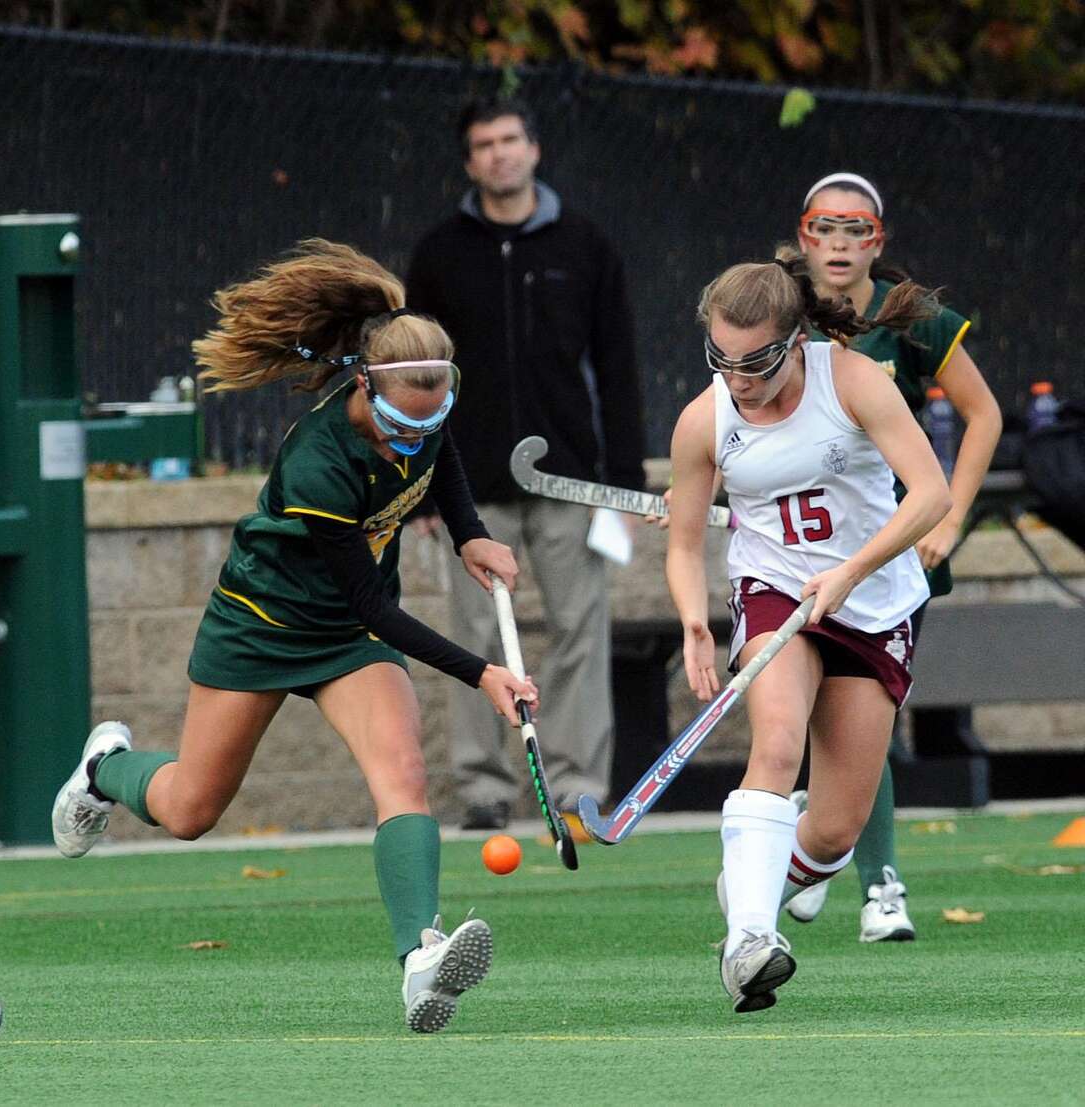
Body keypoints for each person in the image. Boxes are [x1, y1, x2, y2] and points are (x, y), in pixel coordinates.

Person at [50, 240, 539, 1034]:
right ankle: (106, 768)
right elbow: (379, 610)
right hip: (263, 626)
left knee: (404, 774)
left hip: (346, 636)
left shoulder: (423, 408)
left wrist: (468, 535)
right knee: (190, 809)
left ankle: (420, 960)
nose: (410, 437)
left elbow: (438, 458)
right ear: (364, 385)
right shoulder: (319, 460)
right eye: (398, 423)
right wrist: (480, 670)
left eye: (431, 416)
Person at [667, 253, 951, 1012]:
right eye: (721, 360)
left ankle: (757, 879)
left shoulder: (853, 381)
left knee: (831, 833)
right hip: (773, 596)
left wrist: (852, 571)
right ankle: (749, 941)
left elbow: (931, 494)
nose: (738, 379)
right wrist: (695, 620)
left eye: (755, 361)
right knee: (778, 743)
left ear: (794, 339)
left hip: (873, 601)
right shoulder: (706, 418)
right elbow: (684, 541)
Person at [406, 97, 646, 831]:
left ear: (534, 149)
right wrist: (420, 486)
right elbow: (413, 372)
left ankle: (577, 786)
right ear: (469, 160)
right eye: (484, 144)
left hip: (570, 477)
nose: (499, 154)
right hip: (468, 483)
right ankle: (483, 789)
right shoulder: (439, 252)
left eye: (511, 139)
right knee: (472, 639)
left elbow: (618, 366)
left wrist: (625, 484)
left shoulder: (586, 245)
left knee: (580, 629)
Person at [785, 172, 1002, 941]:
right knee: (821, 718)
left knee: (865, 718)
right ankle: (820, 846)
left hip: (884, 553)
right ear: (805, 235)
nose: (839, 245)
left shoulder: (913, 318)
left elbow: (983, 415)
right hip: (796, 551)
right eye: (826, 229)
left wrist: (950, 518)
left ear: (878, 240)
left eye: (856, 231)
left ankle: (869, 874)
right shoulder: (776, 310)